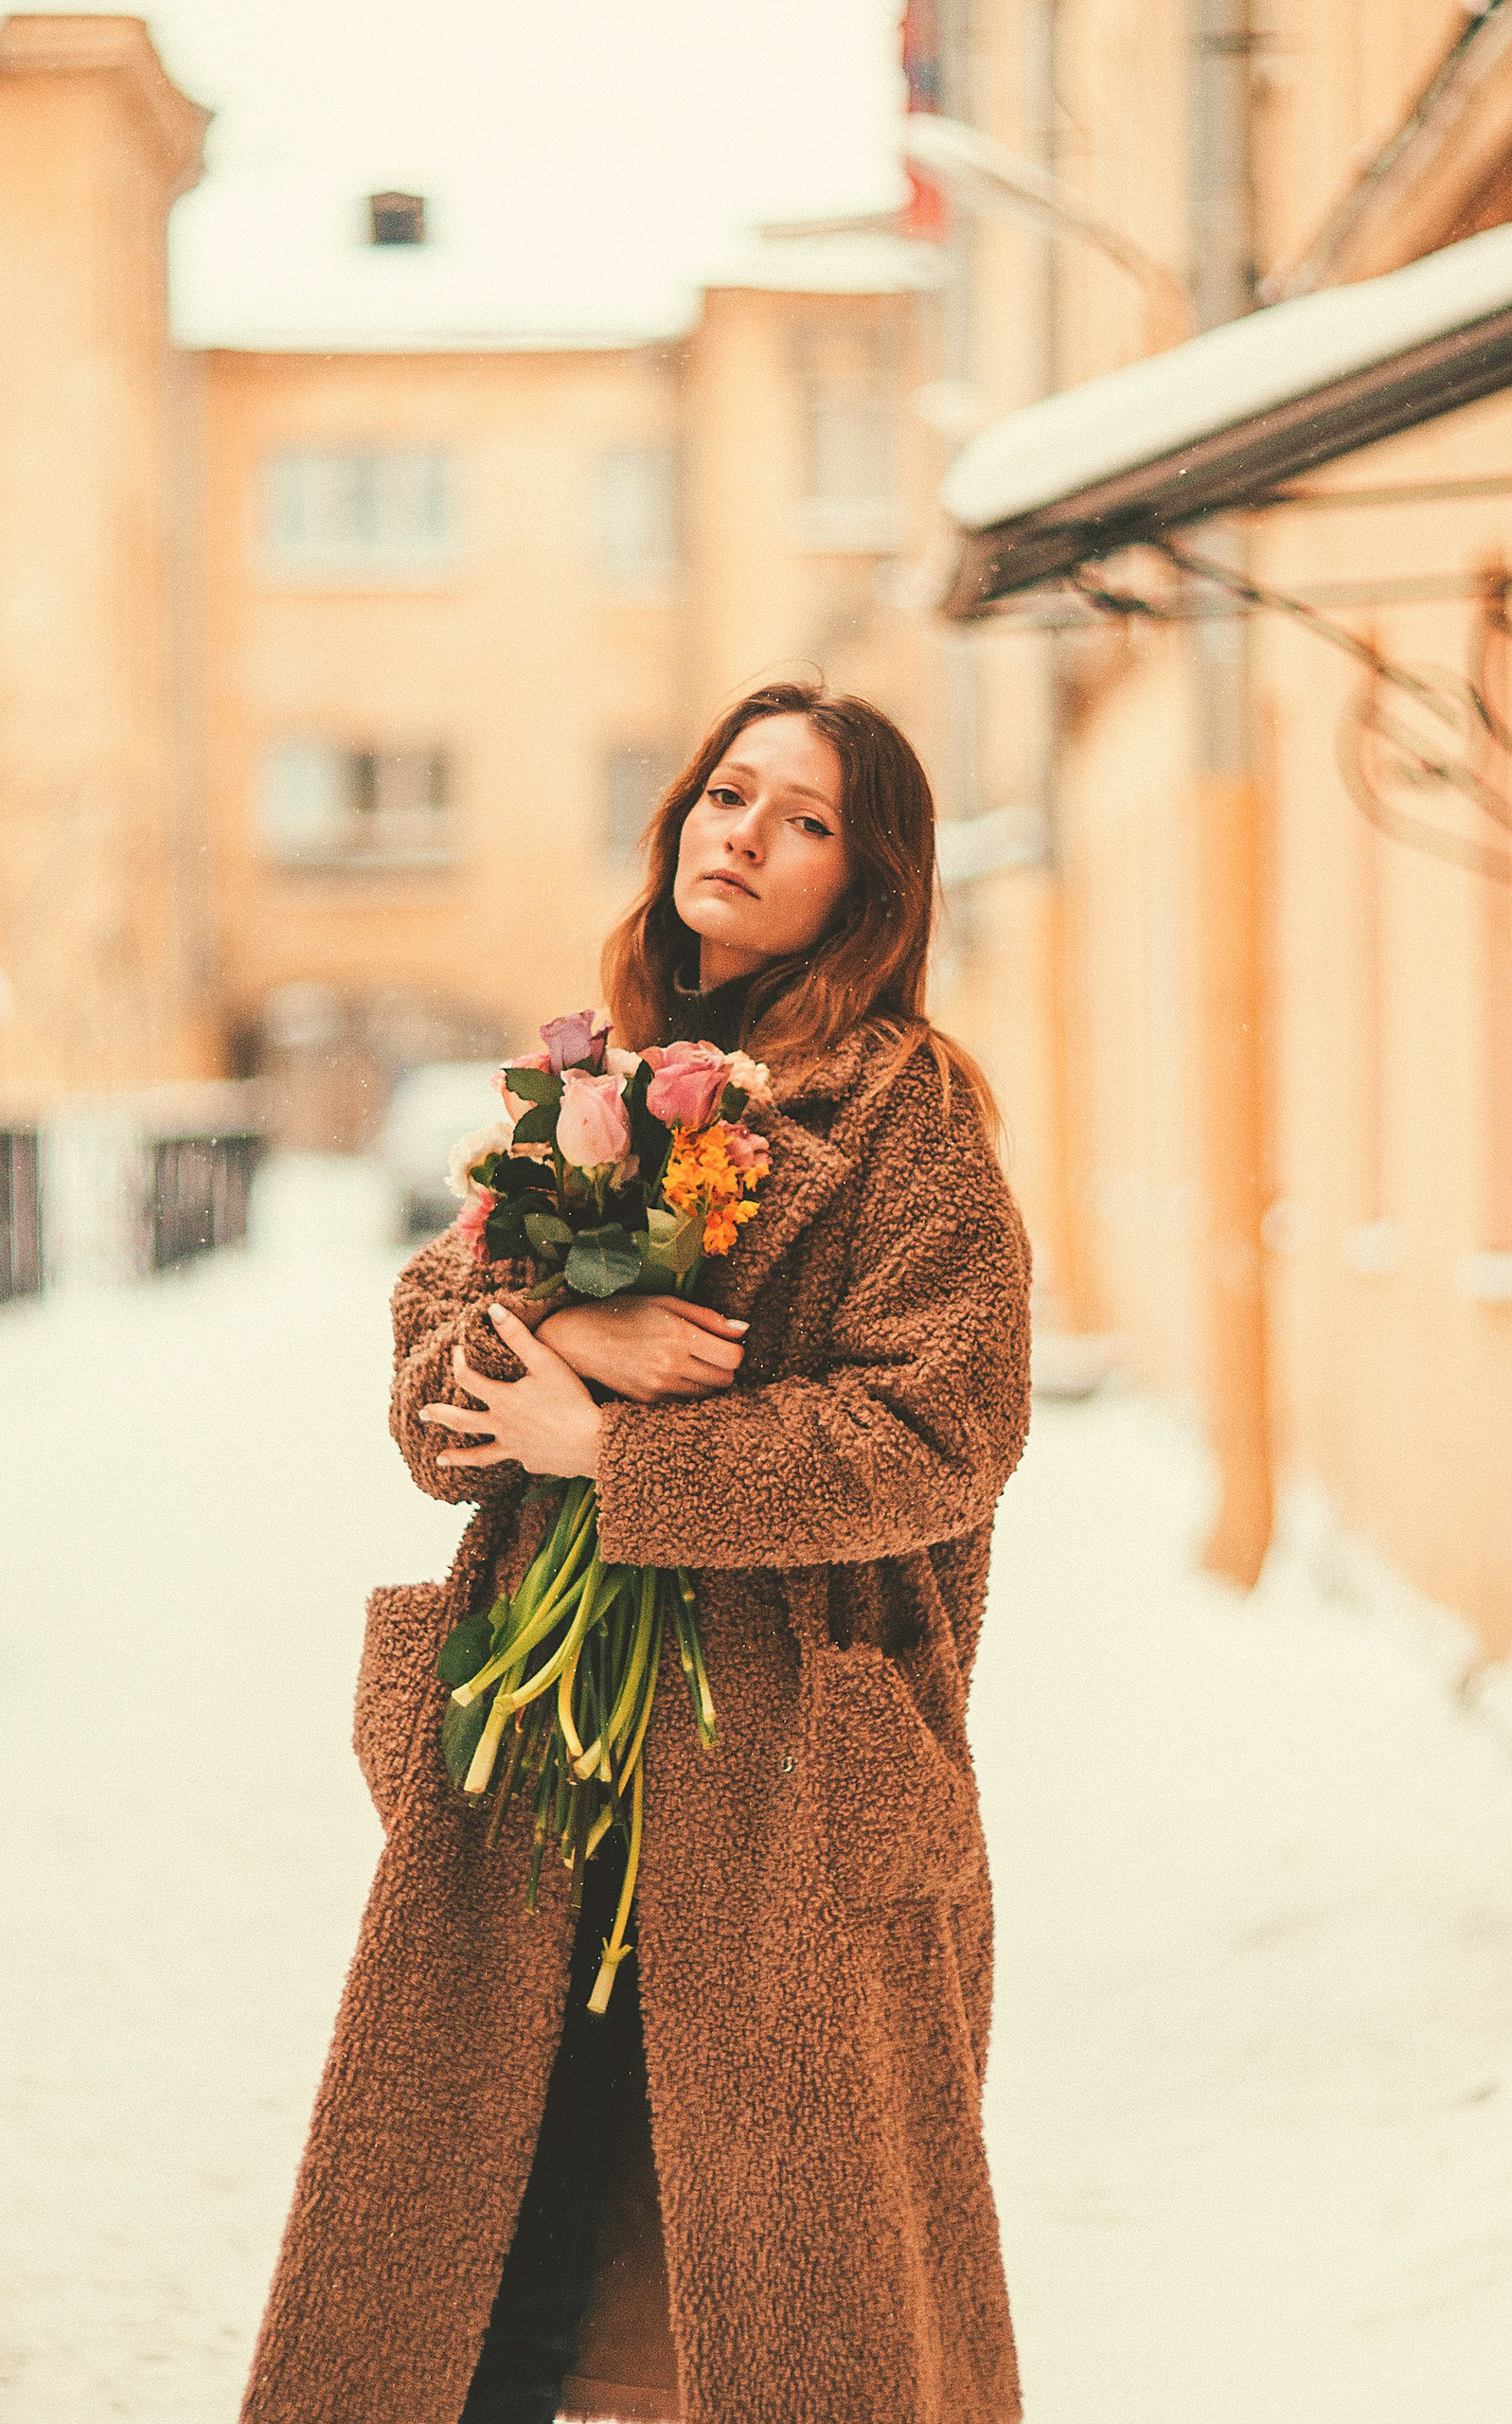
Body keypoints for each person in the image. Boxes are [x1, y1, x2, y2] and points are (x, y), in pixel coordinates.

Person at [240, 680, 1035, 2424]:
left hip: (784, 1802)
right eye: (728, 793)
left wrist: (623, 1460)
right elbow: (428, 1405)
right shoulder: (587, 1087)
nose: (743, 833)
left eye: (805, 818)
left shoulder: (912, 1125)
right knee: (487, 2281)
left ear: (869, 884)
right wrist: (563, 1333)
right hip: (550, 1774)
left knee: (763, 2311)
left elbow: (944, 1435)